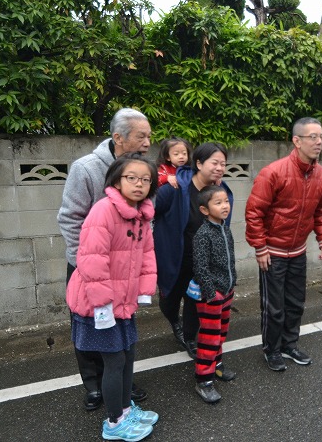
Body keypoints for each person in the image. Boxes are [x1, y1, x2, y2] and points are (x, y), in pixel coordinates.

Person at [57, 107, 151, 410]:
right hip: (88, 265)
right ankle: (94, 385)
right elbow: (70, 219)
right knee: (88, 324)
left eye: (150, 136)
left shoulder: (142, 172)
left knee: (120, 326)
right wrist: (85, 263)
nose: (148, 142)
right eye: (141, 136)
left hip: (124, 268)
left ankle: (120, 384)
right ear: (118, 138)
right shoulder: (86, 168)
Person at [66, 153, 159, 441]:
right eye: (132, 177)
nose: (139, 184)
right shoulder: (103, 210)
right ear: (117, 180)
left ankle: (124, 408)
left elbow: (147, 256)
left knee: (129, 356)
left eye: (146, 179)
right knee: (115, 362)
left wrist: (143, 292)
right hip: (98, 304)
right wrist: (103, 305)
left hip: (123, 302)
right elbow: (92, 260)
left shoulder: (143, 213)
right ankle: (115, 422)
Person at [245, 117, 322, 372]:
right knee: (274, 306)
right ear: (297, 141)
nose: (318, 142)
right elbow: (254, 212)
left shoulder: (321, 175)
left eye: (321, 136)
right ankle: (271, 349)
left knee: (296, 302)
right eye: (312, 137)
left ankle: (289, 344)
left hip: (298, 251)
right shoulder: (273, 172)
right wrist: (260, 247)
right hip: (272, 252)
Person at [153, 143, 234, 361]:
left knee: (195, 302)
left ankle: (189, 337)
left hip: (201, 262)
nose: (219, 168)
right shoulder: (175, 188)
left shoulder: (221, 191)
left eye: (223, 164)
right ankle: (174, 321)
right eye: (214, 163)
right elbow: (149, 210)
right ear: (198, 163)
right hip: (174, 258)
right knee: (168, 301)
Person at [191, 185, 237, 403]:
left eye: (226, 201)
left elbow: (230, 261)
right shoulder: (203, 235)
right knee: (209, 339)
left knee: (221, 333)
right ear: (204, 210)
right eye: (218, 203)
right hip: (211, 297)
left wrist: (231, 284)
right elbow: (200, 268)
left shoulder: (225, 228)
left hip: (226, 292)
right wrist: (211, 293)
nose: (224, 206)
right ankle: (204, 381)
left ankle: (217, 366)